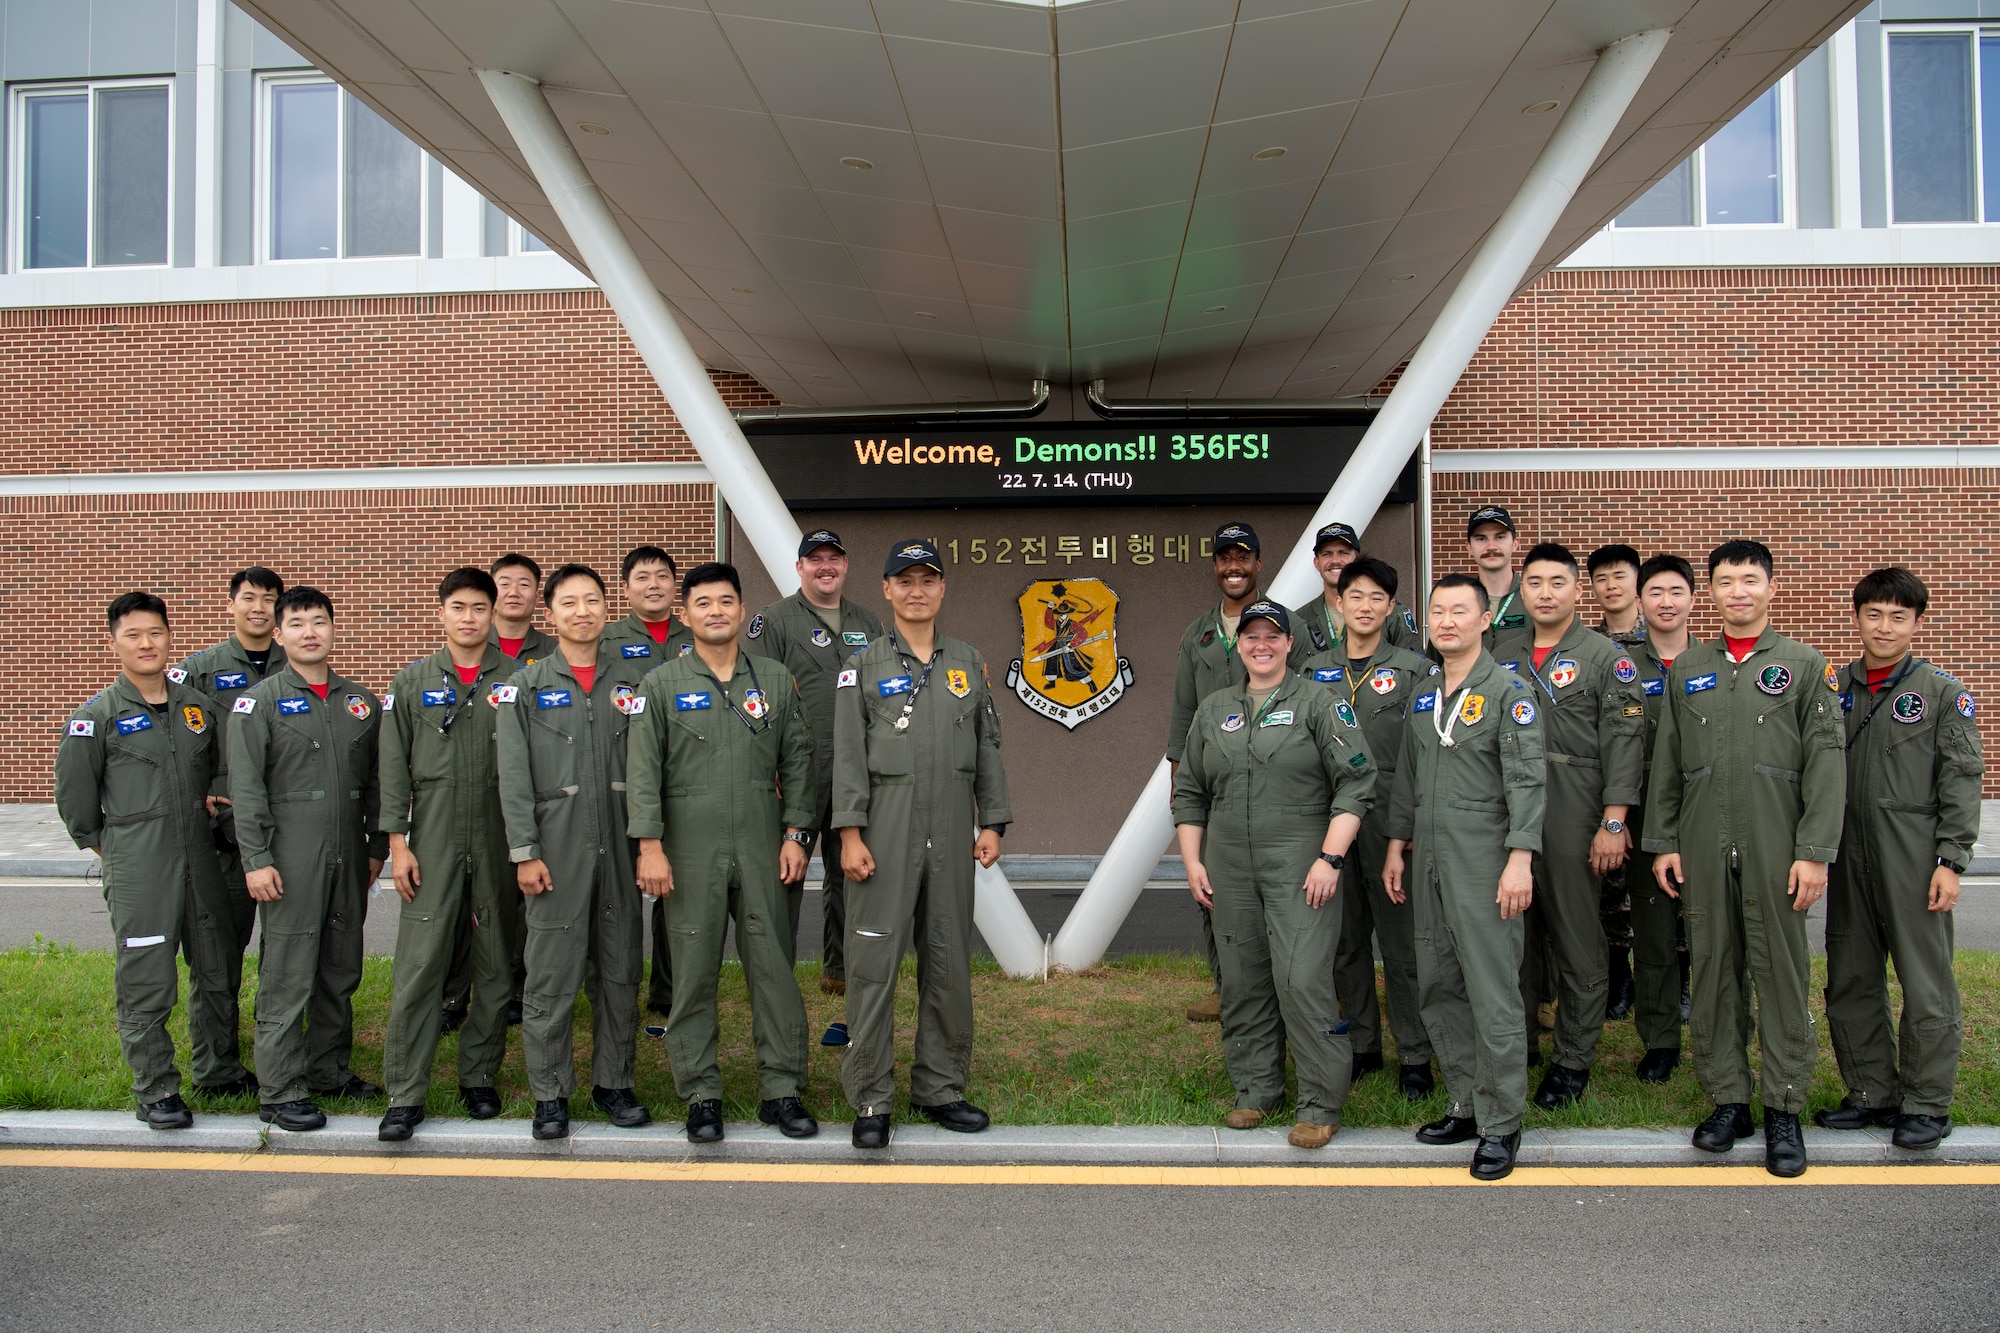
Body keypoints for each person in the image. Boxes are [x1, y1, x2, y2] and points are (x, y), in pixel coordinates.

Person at [1644, 540, 1844, 1178]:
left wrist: (1813, 853)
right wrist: (1666, 840)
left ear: (1772, 587)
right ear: (1713, 593)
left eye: (1750, 579)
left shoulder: (1805, 665)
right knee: (1714, 969)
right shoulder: (1690, 668)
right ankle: (1729, 1100)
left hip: (1775, 844)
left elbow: (1825, 764)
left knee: (1779, 973)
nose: (1739, 591)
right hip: (1703, 842)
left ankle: (1783, 1106)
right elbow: (1669, 760)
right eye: (1726, 581)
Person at [1174, 600, 1375, 1148]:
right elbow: (1189, 791)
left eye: (1272, 636)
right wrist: (1193, 861)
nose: (1261, 645)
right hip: (1229, 862)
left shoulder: (1319, 703)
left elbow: (1357, 782)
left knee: (1302, 979)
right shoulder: (1215, 710)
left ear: (1290, 644)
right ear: (1239, 645)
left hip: (1300, 858)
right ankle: (1257, 1090)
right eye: (1251, 636)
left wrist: (1331, 858)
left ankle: (1319, 1101)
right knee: (1242, 978)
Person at [629, 563, 819, 1143]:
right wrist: (651, 847)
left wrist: (796, 834)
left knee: (774, 969)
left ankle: (782, 1089)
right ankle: (701, 1093)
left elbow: (801, 763)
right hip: (688, 848)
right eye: (703, 603)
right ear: (685, 615)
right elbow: (643, 773)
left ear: (741, 611)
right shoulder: (659, 685)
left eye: (727, 601)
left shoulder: (776, 680)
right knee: (692, 971)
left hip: (764, 842)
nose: (716, 611)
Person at [831, 539, 1011, 1150]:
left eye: (927, 580)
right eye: (903, 580)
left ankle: (940, 1087)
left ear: (942, 589)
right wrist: (850, 833)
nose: (916, 590)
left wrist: (993, 822)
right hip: (885, 822)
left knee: (947, 960)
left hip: (953, 822)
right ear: (885, 589)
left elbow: (988, 744)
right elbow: (848, 756)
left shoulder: (967, 660)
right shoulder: (862, 665)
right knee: (874, 963)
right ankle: (871, 1097)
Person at [1383, 574, 1545, 1181]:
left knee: (1491, 989)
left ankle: (1502, 1123)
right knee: (1438, 981)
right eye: (1438, 611)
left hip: (1486, 859)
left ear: (1485, 620)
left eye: (1460, 611)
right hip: (1426, 856)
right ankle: (1464, 1102)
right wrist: (1396, 845)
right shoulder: (1427, 693)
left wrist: (1520, 858)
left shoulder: (1508, 692)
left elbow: (1527, 782)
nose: (1447, 621)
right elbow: (1406, 774)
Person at [1818, 567, 1982, 1151]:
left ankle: (1926, 1103)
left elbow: (1962, 778)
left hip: (1913, 856)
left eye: (1898, 617)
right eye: (1873, 614)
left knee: (1925, 983)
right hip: (1846, 853)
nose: (1884, 627)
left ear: (1917, 622)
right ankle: (1871, 1093)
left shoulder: (1941, 693)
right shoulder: (1833, 687)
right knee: (1852, 978)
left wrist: (1952, 858)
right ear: (1857, 617)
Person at [56, 592, 231, 1130]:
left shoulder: (196, 708)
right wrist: (123, 852)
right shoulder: (96, 718)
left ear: (169, 636)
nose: (146, 643)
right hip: (139, 870)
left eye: (155, 632)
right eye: (133, 635)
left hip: (200, 859)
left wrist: (214, 797)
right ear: (114, 645)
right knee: (148, 981)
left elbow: (223, 769)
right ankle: (155, 1090)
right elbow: (78, 808)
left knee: (215, 970)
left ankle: (218, 1070)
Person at [496, 563, 656, 1141]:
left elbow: (650, 771)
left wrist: (648, 846)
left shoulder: (636, 685)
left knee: (619, 968)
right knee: (551, 974)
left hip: (620, 843)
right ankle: (550, 1093)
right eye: (569, 603)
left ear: (605, 609)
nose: (582, 611)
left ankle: (614, 1082)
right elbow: (512, 778)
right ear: (550, 614)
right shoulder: (526, 687)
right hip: (554, 849)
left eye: (592, 600)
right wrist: (524, 852)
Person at [1491, 543, 1645, 1109]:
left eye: (1558, 582)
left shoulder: (1606, 657)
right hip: (1508, 812)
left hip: (1575, 809)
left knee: (1578, 938)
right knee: (1516, 937)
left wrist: (1613, 819)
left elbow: (1624, 741)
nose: (1546, 593)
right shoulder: (1501, 654)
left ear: (1578, 591)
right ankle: (1523, 1041)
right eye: (1535, 583)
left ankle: (1574, 1058)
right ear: (1521, 592)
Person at [229, 587, 387, 1132]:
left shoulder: (360, 702)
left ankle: (328, 1070)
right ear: (278, 635)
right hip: (289, 856)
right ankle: (278, 1088)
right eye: (296, 624)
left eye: (319, 621)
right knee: (288, 971)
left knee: (340, 967)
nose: (309, 632)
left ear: (333, 629)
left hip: (349, 852)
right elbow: (246, 790)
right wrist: (255, 858)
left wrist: (376, 850)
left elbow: (377, 786)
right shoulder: (259, 703)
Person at [374, 568, 519, 1141]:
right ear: (441, 613)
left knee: (494, 961)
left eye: (479, 608)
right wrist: (396, 842)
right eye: (458, 607)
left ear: (494, 614)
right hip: (431, 833)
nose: (469, 618)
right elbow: (392, 767)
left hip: (499, 831)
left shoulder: (517, 680)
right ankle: (404, 1092)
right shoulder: (410, 682)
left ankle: (479, 1075)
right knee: (419, 965)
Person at [1299, 556, 1439, 1098]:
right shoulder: (1312, 672)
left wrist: (1403, 834)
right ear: (1338, 601)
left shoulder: (1413, 669)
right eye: (1354, 595)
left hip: (1389, 822)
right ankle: (1362, 1044)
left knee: (1403, 946)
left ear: (1390, 607)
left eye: (1376, 598)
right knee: (1346, 941)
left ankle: (1415, 1053)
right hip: (1333, 821)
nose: (1364, 606)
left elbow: (1420, 755)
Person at [745, 528, 884, 1036]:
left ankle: (841, 970)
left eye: (835, 559)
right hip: (798, 768)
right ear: (800, 567)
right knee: (787, 872)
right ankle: (775, 974)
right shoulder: (773, 621)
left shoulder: (867, 621)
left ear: (845, 566)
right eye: (815, 559)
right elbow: (758, 696)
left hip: (855, 769)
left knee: (851, 873)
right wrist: (773, 765)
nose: (826, 567)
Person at [168, 565, 287, 1098]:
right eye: (249, 598)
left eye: (269, 599)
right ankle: (218, 1069)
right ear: (231, 605)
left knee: (289, 957)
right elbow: (174, 748)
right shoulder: (199, 671)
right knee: (217, 958)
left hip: (289, 835)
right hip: (226, 836)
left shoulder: (301, 663)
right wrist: (201, 798)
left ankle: (284, 1058)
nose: (258, 607)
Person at [1167, 521, 1263, 1023]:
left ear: (1258, 565)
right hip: (1211, 777)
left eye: (1242, 557)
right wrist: (1178, 774)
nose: (1233, 566)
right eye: (1225, 558)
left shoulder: (1278, 625)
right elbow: (1183, 708)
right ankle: (1224, 985)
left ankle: (1283, 984)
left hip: (1271, 770)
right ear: (1215, 566)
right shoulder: (1198, 631)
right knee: (1210, 883)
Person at [601, 544, 694, 1020]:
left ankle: (667, 990)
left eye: (662, 575)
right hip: (622, 778)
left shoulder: (696, 632)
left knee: (672, 888)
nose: (653, 584)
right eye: (642, 576)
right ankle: (610, 989)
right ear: (625, 589)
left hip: (684, 780)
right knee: (617, 885)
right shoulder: (607, 638)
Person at [1627, 554, 1696, 1082]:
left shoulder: (1717, 663)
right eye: (1655, 592)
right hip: (1645, 817)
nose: (1665, 602)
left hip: (1708, 816)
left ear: (1694, 598)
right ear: (1640, 601)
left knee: (1716, 938)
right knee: (1653, 938)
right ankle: (1660, 1040)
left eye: (1676, 591)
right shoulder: (1621, 663)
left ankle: (1722, 1035)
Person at [1586, 543, 1646, 1020]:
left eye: (1619, 576)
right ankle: (1618, 975)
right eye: (1602, 578)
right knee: (1613, 889)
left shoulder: (1667, 640)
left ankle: (1676, 979)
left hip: (1662, 784)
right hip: (1609, 788)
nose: (1611, 585)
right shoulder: (1590, 648)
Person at [1287, 522, 1420, 664]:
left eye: (1343, 552)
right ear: (1317, 563)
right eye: (1327, 554)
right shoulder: (1300, 619)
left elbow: (1414, 668)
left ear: (1357, 559)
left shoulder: (1394, 614)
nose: (1335, 560)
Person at [1467, 506, 1527, 646]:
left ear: (1515, 543)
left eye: (1500, 537)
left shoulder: (1533, 597)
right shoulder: (1458, 601)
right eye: (1481, 539)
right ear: (1469, 546)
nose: (1491, 546)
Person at [490, 552, 557, 666]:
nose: (513, 593)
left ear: (537, 597)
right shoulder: (472, 646)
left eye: (524, 585)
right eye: (505, 584)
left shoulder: (555, 652)